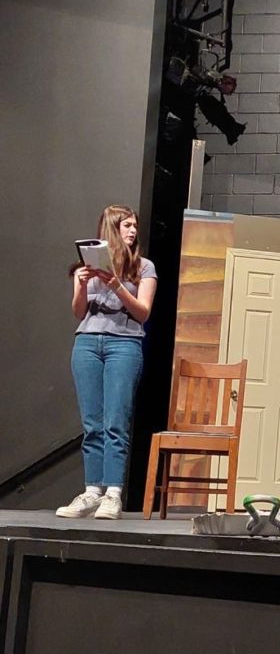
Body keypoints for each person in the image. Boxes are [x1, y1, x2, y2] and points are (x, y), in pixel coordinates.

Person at [57, 205, 158, 520]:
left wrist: (116, 286)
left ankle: (113, 493)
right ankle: (92, 492)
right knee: (92, 424)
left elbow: (143, 312)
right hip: (87, 343)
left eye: (134, 226)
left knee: (115, 422)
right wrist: (84, 283)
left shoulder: (143, 267)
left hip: (124, 345)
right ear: (111, 229)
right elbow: (78, 311)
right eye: (126, 225)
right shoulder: (83, 267)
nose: (132, 231)